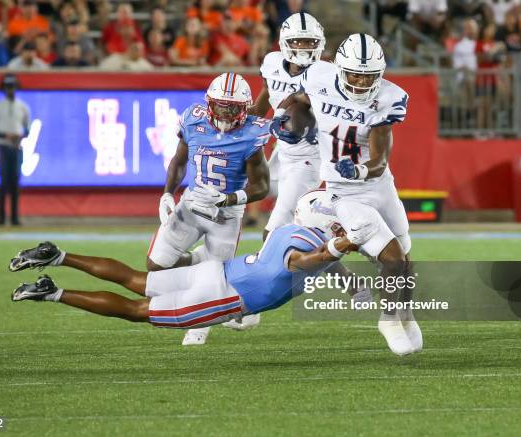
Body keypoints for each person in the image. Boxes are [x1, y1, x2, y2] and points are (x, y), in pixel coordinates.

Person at [9, 192, 393, 349]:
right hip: (225, 296)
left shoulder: (289, 229)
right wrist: (339, 245)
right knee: (135, 310)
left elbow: (321, 263)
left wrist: (351, 283)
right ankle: (53, 292)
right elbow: (304, 262)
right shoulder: (312, 243)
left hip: (218, 272)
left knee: (135, 280)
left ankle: (58, 255)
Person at [270, 33, 421, 356]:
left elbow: (379, 162)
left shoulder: (388, 100)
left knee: (406, 261)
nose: (361, 81)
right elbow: (298, 98)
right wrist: (285, 120)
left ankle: (404, 313)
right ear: (339, 69)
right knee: (391, 257)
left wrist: (362, 170)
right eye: (354, 73)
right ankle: (389, 319)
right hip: (343, 193)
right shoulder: (319, 77)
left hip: (377, 184)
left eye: (368, 76)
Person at [149, 72, 271, 345]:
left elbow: (261, 186)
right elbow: (179, 161)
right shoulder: (193, 119)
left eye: (233, 107)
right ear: (208, 103)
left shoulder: (252, 133)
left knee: (212, 282)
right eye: (220, 105)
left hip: (226, 213)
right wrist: (168, 193)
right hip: (192, 203)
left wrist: (228, 200)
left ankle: (199, 327)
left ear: (245, 108)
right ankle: (197, 260)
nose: (226, 112)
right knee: (156, 266)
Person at [249, 12, 325, 241]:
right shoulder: (272, 63)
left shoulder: (325, 74)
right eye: (297, 41)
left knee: (273, 234)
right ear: (284, 42)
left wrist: (288, 112)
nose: (303, 47)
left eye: (310, 42)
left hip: (309, 158)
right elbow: (261, 107)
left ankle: (267, 273)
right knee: (230, 191)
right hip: (281, 154)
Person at [0, 74, 31, 226]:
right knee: (4, 181)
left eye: (12, 87)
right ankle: (1, 217)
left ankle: (14, 217)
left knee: (15, 182)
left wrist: (19, 136)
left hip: (17, 147)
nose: (10, 90)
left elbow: (28, 129)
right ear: (4, 89)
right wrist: (5, 135)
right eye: (7, 87)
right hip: (3, 147)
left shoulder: (23, 107)